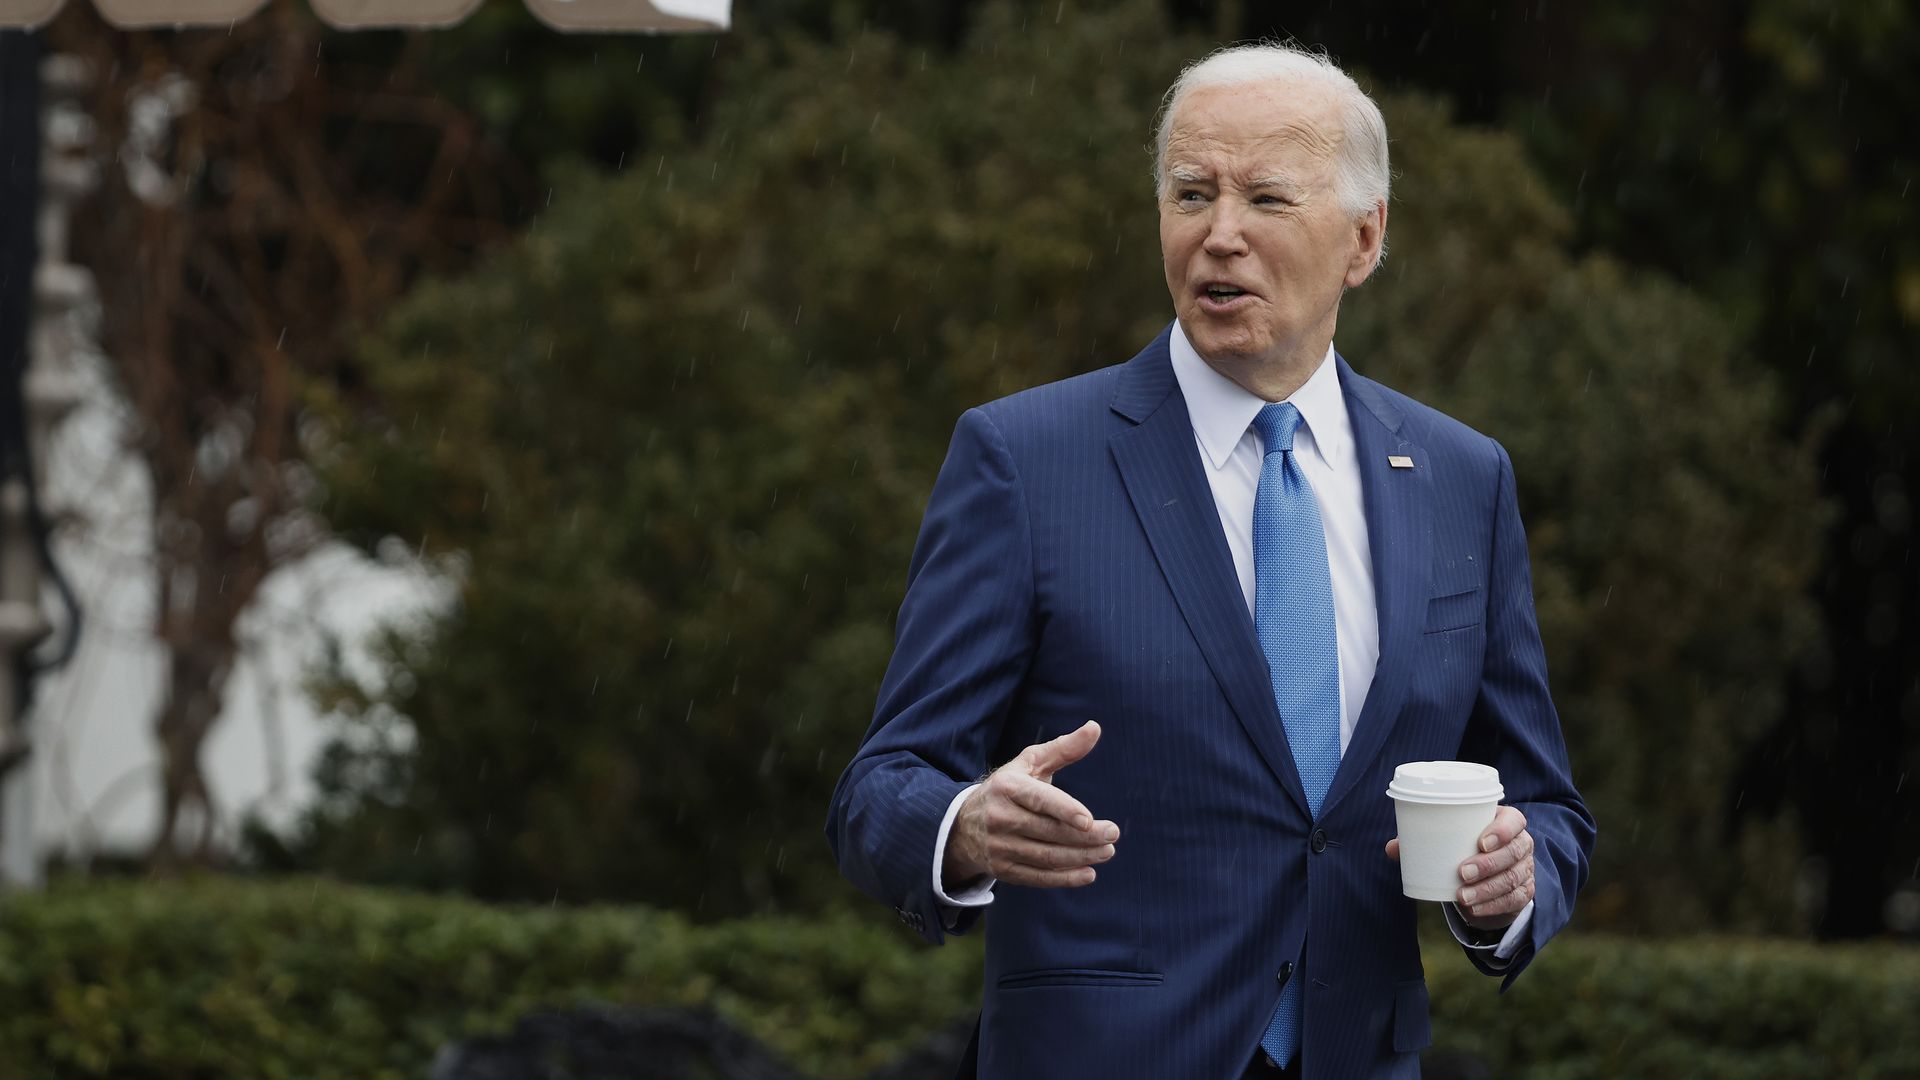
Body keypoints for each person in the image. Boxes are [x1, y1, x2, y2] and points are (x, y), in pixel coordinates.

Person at [826, 42, 1595, 1080]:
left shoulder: (1464, 478)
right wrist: (962, 826)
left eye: (1267, 199)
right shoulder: (1026, 462)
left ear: (1363, 239)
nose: (1219, 235)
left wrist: (1516, 883)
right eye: (1192, 192)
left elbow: (1546, 807)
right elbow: (881, 790)